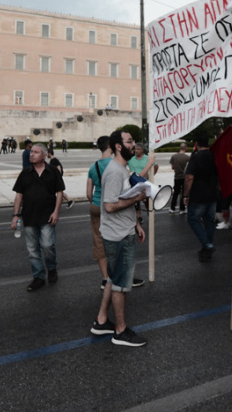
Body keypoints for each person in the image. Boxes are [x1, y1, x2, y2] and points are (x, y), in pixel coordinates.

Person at [90, 129, 149, 347]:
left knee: (113, 278)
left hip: (122, 229)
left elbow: (119, 199)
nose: (133, 144)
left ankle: (101, 320)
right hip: (118, 236)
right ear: (118, 146)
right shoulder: (115, 171)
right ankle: (121, 331)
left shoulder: (121, 168)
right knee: (121, 285)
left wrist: (135, 223)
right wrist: (138, 198)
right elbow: (110, 205)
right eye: (129, 141)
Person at [11, 143, 64, 291]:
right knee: (32, 250)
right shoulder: (25, 173)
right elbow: (19, 195)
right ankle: (38, 277)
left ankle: (52, 268)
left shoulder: (53, 171)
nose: (31, 154)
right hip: (29, 217)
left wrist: (56, 212)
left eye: (36, 152)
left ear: (44, 155)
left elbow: (59, 192)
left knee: (47, 246)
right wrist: (16, 215)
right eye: (31, 152)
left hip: (47, 216)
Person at [183, 135, 220, 262]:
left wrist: (185, 194)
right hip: (212, 194)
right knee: (209, 221)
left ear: (197, 144)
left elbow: (189, 177)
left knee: (193, 219)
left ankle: (208, 245)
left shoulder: (196, 157)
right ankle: (207, 248)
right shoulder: (214, 155)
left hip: (198, 195)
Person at [87, 135, 114, 289]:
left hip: (96, 206)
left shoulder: (93, 166)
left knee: (99, 241)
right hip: (112, 206)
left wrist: (95, 202)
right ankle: (116, 274)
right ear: (111, 146)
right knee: (115, 240)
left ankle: (105, 278)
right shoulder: (116, 164)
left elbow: (88, 193)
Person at [169, 143, 190, 214]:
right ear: (186, 148)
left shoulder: (174, 156)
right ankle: (182, 209)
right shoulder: (187, 157)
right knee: (184, 194)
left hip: (177, 177)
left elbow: (172, 167)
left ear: (179, 148)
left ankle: (172, 208)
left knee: (176, 193)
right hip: (185, 177)